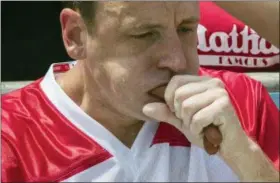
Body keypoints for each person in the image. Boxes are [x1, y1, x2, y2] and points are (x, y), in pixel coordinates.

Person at [1, 2, 279, 182]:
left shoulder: (241, 102)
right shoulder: (10, 140)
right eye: (144, 34)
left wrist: (245, 158)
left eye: (186, 28)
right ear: (75, 35)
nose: (177, 60)